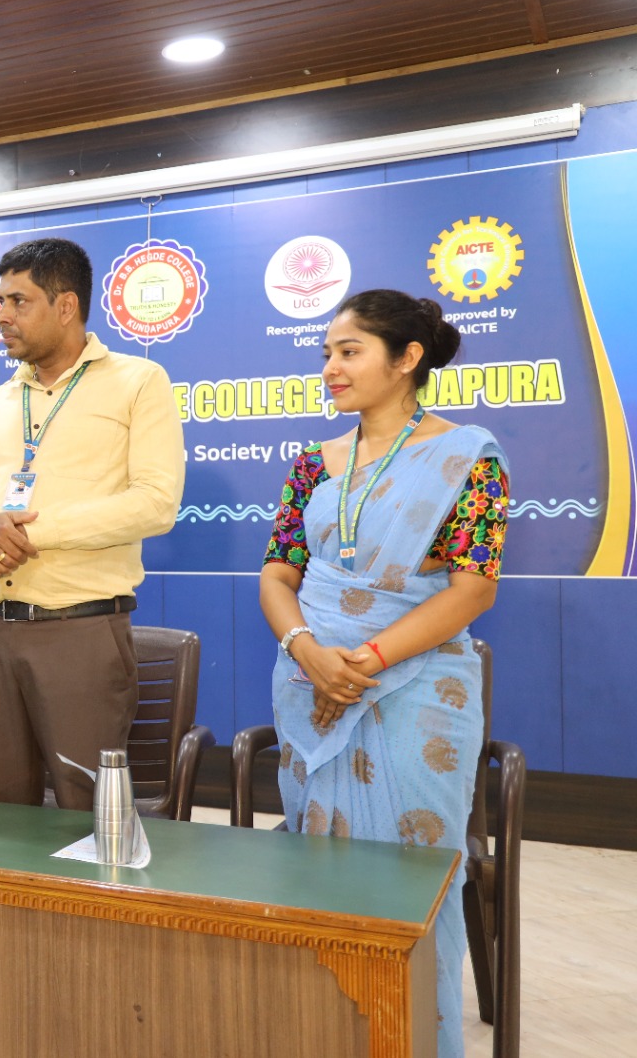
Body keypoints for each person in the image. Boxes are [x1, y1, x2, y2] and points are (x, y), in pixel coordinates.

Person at [259, 289, 509, 1058]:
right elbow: (277, 575)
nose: (330, 368)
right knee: (318, 871)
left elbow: (473, 588)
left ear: (407, 359)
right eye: (327, 353)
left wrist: (363, 662)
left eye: (349, 351)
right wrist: (308, 651)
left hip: (417, 696)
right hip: (310, 688)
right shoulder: (313, 465)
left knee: (409, 881)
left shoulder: (469, 456)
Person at [0, 237, 184, 810]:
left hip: (80, 633)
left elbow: (156, 503)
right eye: (0, 301)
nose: (2, 315)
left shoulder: (138, 381)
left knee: (87, 813)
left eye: (18, 302)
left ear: (66, 305)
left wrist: (23, 534)